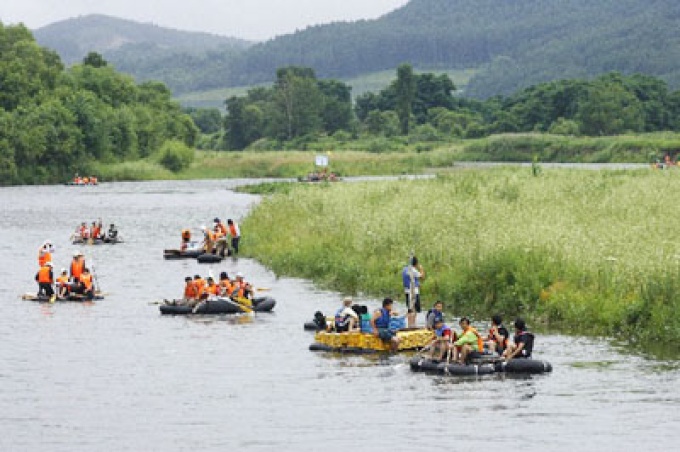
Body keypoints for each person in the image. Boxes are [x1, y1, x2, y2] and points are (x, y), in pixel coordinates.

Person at [402, 256, 425, 328]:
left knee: (410, 308)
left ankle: (410, 325)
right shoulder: (413, 270)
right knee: (414, 309)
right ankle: (412, 325)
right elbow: (422, 277)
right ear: (416, 263)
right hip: (413, 292)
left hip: (407, 291)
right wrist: (421, 269)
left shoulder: (404, 269)